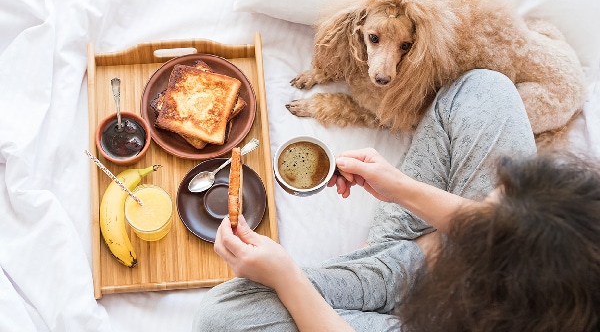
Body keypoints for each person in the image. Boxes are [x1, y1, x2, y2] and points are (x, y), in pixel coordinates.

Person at [192, 69, 600, 332]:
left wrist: (286, 277)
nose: (492, 197)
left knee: (221, 316)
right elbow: (502, 222)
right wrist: (399, 187)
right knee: (485, 90)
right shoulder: (581, 236)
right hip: (443, 258)